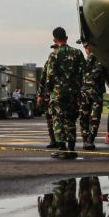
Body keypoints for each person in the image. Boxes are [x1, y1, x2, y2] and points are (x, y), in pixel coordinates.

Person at [42, 27, 85, 159]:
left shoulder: (54, 54)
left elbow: (49, 76)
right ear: (66, 38)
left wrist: (47, 92)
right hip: (73, 93)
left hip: (58, 93)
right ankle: (71, 149)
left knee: (58, 120)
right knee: (70, 120)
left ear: (55, 39)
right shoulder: (77, 53)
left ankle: (62, 148)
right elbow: (84, 72)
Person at [78, 41, 107, 150]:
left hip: (84, 95)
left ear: (88, 48)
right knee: (94, 119)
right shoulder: (102, 62)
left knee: (84, 118)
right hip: (96, 95)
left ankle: (86, 140)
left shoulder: (84, 63)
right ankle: (90, 140)